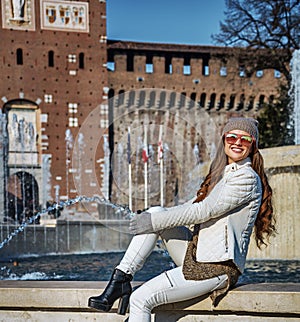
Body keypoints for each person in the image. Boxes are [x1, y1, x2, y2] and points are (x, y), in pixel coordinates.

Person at [88, 117, 276, 321]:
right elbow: (189, 208)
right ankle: (121, 278)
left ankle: (122, 286)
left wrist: (151, 223)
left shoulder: (246, 178)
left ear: (253, 145)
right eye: (232, 136)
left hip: (217, 267)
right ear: (224, 140)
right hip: (200, 256)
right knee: (157, 212)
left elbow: (205, 211)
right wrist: (150, 218)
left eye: (245, 139)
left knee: (140, 299)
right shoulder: (224, 175)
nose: (237, 142)